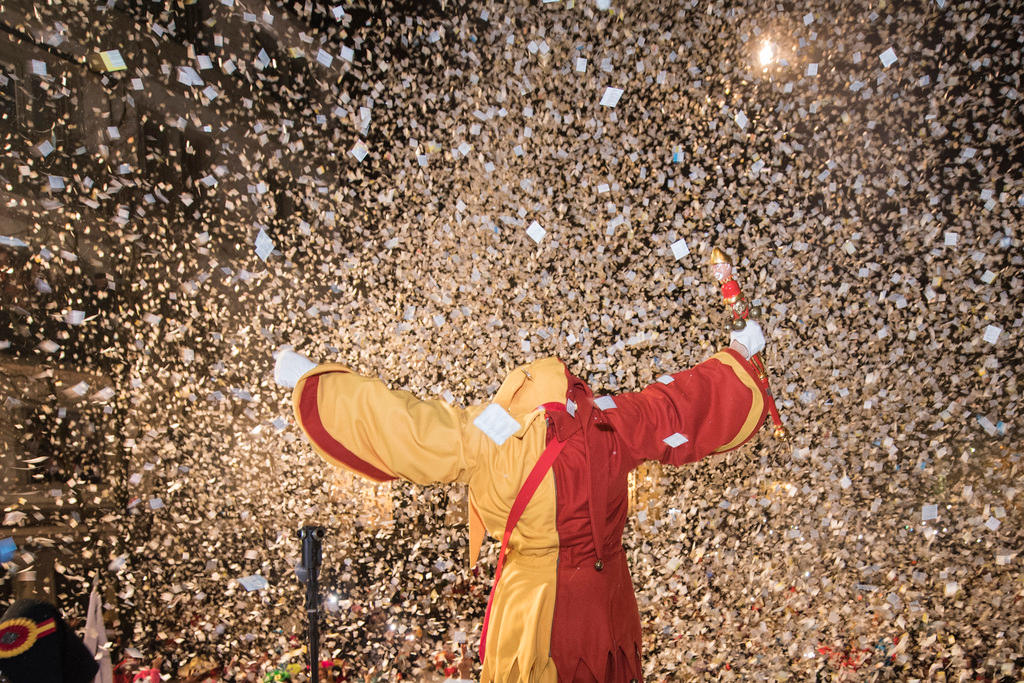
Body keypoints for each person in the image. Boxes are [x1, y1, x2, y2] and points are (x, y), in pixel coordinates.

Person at [275, 320, 769, 683]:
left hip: (530, 602)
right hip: (605, 599)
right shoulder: (612, 422)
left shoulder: (489, 433)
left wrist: (315, 381)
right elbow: (680, 403)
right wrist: (739, 354)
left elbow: (405, 426)